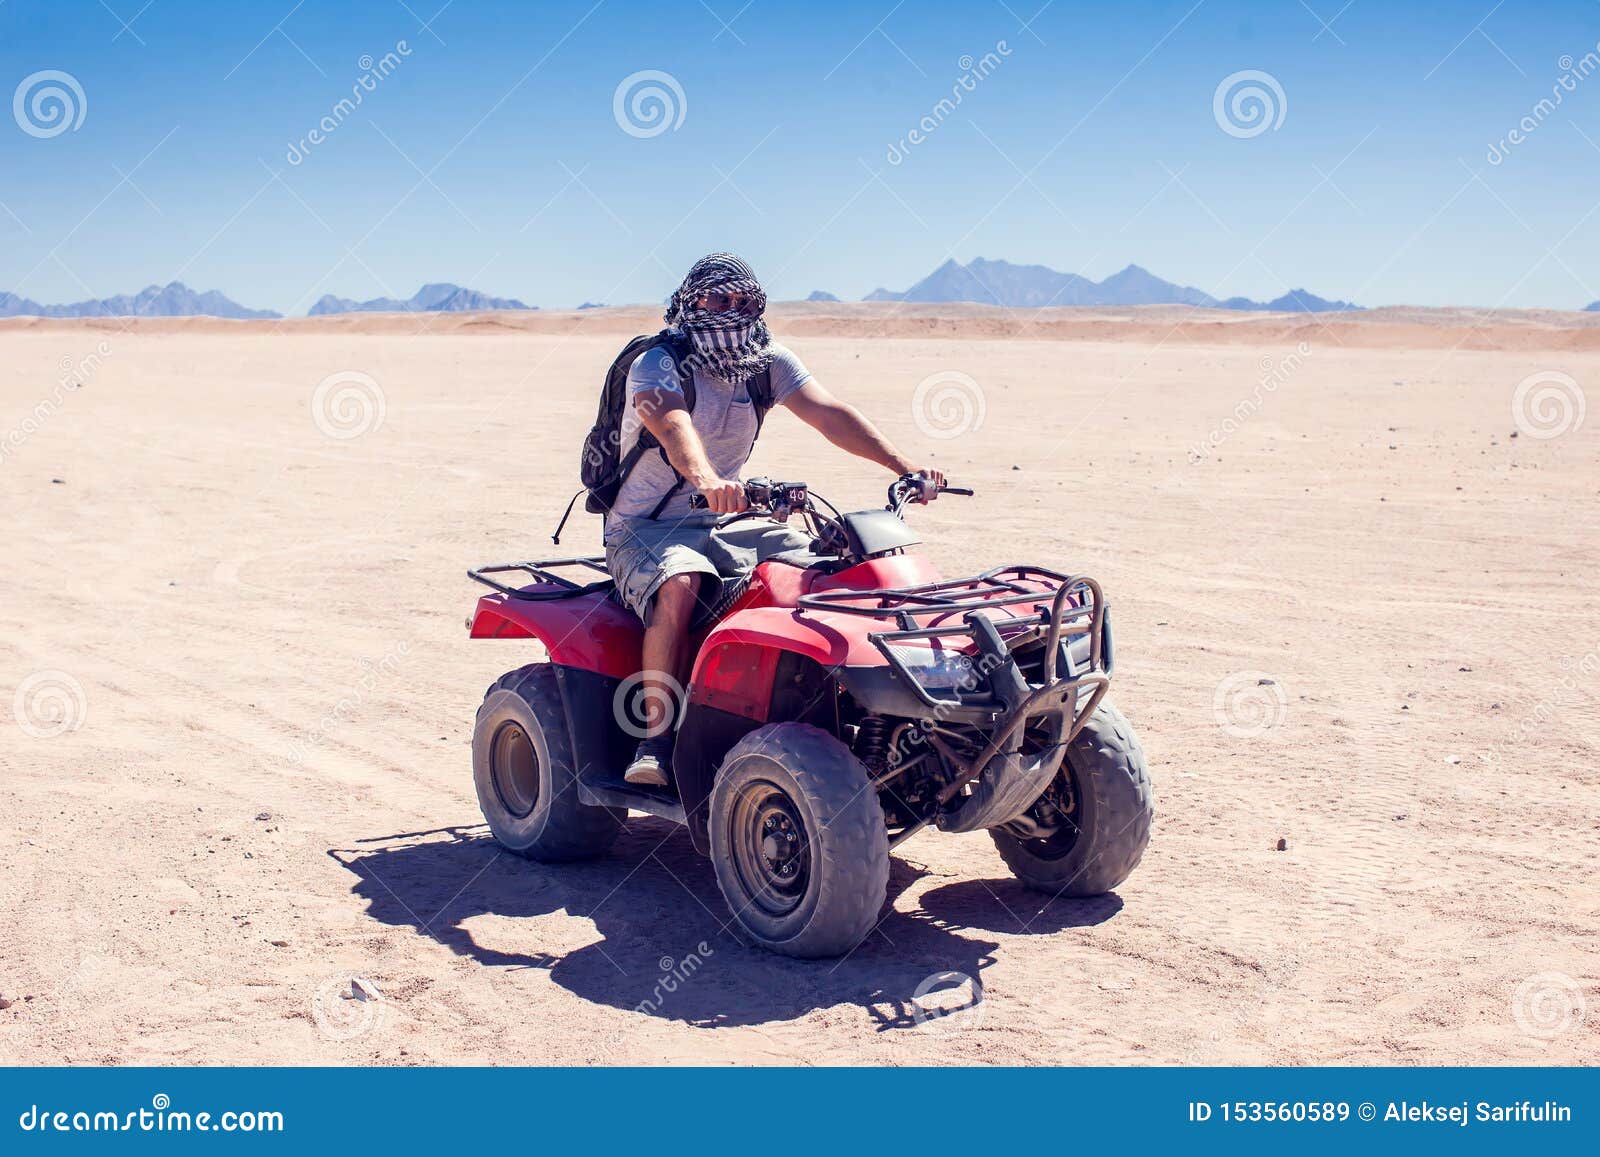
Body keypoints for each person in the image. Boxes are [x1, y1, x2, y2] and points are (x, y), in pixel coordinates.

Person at [605, 252, 943, 786]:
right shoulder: (658, 364)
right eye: (716, 300)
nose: (729, 311)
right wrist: (709, 481)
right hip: (646, 528)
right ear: (691, 302)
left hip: (725, 521)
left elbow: (829, 413)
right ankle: (655, 741)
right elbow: (673, 430)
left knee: (828, 567)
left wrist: (904, 466)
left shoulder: (767, 361)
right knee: (679, 583)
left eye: (741, 302)